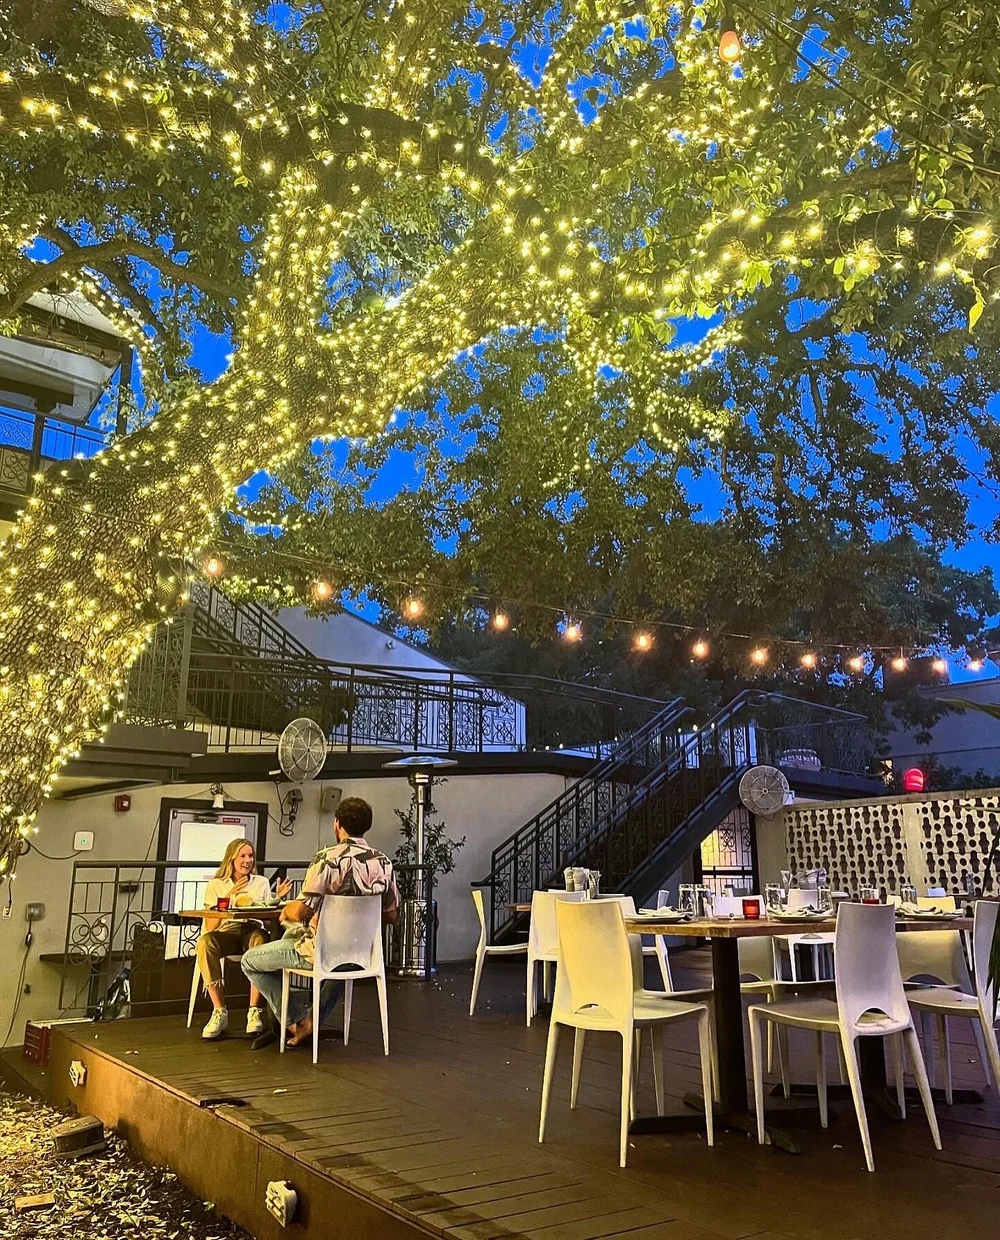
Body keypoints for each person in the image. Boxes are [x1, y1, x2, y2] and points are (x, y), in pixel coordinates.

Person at [241, 796, 399, 1050]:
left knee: (249, 961)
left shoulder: (326, 860)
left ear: (337, 824)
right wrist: (357, 923)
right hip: (362, 954)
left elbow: (303, 911)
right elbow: (391, 915)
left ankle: (296, 1020)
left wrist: (287, 910)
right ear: (367, 825)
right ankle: (312, 1020)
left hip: (322, 951)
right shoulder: (384, 863)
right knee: (339, 963)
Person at [196, 838, 292, 1040]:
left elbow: (267, 917)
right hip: (226, 930)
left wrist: (277, 899)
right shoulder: (215, 884)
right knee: (205, 943)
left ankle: (254, 1010)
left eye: (250, 856)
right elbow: (210, 926)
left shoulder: (261, 882)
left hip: (251, 929)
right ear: (231, 858)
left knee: (261, 940)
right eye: (243, 856)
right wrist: (230, 894)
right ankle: (219, 1011)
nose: (247, 860)